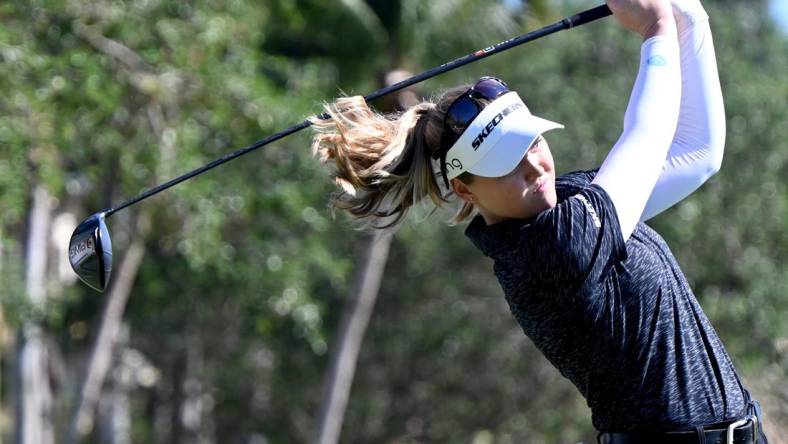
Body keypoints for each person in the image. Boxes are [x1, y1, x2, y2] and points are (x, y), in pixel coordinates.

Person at [311, 0, 769, 442]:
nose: (533, 165)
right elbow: (647, 138)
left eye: (531, 142)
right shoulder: (548, 253)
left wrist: (686, 12)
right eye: (506, 162)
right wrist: (657, 31)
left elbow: (697, 152)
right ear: (465, 190)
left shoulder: (571, 201)